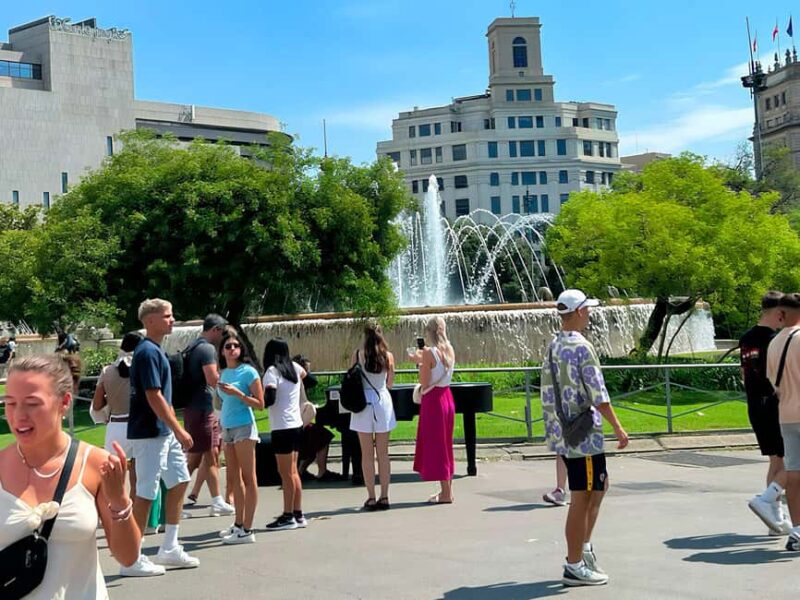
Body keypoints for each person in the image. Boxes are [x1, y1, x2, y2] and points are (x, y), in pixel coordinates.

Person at [0, 354, 141, 597]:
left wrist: (119, 500)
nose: (18, 415)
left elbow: (127, 557)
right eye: (10, 403)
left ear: (64, 402)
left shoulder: (96, 464)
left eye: (32, 403)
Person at [540, 289, 629, 587]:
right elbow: (598, 393)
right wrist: (618, 428)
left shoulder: (554, 344)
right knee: (583, 495)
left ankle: (584, 548)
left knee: (599, 485)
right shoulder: (582, 347)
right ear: (578, 312)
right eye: (587, 310)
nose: (589, 314)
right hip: (584, 435)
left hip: (564, 432)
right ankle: (575, 563)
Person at [124, 298, 199, 577]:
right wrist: (178, 428)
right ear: (150, 320)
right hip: (149, 432)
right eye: (167, 315)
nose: (172, 319)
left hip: (161, 432)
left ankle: (169, 547)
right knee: (145, 492)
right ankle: (131, 558)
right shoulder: (147, 352)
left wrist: (172, 429)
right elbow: (153, 395)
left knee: (180, 480)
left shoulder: (153, 351)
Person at [741, 291, 790, 534]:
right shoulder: (776, 340)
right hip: (774, 404)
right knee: (792, 461)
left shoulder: (747, 337)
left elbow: (744, 374)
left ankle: (774, 516)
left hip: (755, 404)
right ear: (778, 312)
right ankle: (768, 501)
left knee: (776, 460)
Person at [214, 329, 264, 544]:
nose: (232, 349)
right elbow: (222, 401)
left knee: (248, 477)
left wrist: (239, 394)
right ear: (222, 351)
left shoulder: (248, 372)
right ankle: (238, 524)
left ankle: (248, 529)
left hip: (244, 426)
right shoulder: (224, 373)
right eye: (228, 346)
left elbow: (260, 404)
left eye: (236, 346)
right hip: (227, 427)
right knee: (234, 478)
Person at [183, 314, 234, 517]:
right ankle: (215, 501)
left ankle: (216, 500)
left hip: (194, 407)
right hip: (202, 408)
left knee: (205, 455)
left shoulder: (193, 346)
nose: (223, 337)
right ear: (215, 330)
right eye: (222, 332)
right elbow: (212, 379)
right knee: (208, 455)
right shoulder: (207, 349)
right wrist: (232, 382)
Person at [766, 292, 800, 551]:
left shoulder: (774, 343)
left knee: (795, 473)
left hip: (786, 415)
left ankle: (797, 531)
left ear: (782, 313)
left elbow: (773, 384)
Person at [262, 338, 307, 531]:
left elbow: (270, 399)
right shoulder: (295, 368)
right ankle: (297, 513)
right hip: (296, 424)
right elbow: (307, 376)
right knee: (293, 471)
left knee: (286, 473)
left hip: (282, 427)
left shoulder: (272, 372)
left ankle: (288, 515)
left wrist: (253, 397)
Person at [351, 323, 397, 510]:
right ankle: (384, 496)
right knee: (383, 454)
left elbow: (352, 379)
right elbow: (390, 383)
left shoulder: (357, 355)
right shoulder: (388, 356)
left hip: (362, 403)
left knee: (367, 454)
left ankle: (371, 496)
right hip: (381, 401)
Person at [412, 316, 456, 504]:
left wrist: (419, 362)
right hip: (447, 397)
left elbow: (424, 382)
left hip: (434, 401)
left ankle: (445, 493)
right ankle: (447, 490)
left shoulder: (429, 352)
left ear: (429, 332)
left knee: (437, 446)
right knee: (446, 444)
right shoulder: (450, 348)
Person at [91, 331, 144, 489]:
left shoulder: (107, 371)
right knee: (139, 478)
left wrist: (112, 398)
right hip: (138, 424)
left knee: (114, 475)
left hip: (116, 425)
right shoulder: (142, 369)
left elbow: (97, 405)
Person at [294, 354, 341, 482]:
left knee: (316, 437)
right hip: (298, 423)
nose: (309, 373)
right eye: (307, 370)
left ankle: (302, 469)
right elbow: (313, 381)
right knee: (323, 436)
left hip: (297, 421)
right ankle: (321, 471)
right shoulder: (299, 380)